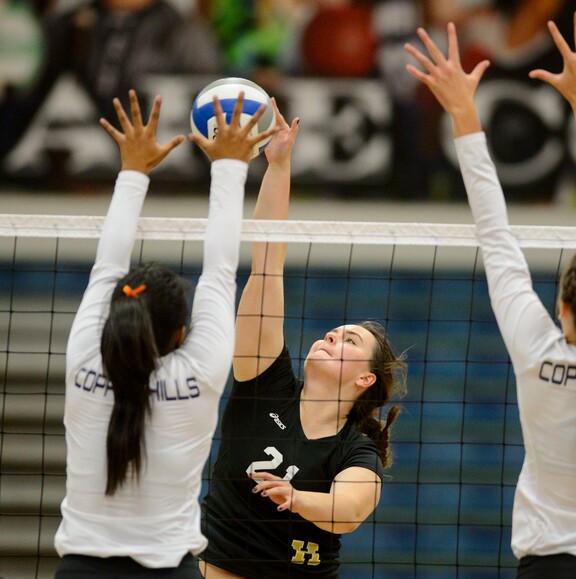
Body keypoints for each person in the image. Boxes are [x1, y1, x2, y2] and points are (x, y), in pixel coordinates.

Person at [405, 10, 576, 578]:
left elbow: (496, 236)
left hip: (552, 566)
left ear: (563, 309)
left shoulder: (540, 353)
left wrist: (463, 114)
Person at [53, 90, 276, 578]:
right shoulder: (198, 374)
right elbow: (220, 271)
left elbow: (105, 267)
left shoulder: (84, 360)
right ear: (182, 331)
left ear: (117, 314)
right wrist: (229, 164)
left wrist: (134, 171)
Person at [198, 100, 407, 578]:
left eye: (350, 342)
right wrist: (278, 166)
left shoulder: (356, 450)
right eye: (335, 332)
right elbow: (267, 265)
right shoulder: (263, 384)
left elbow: (348, 511)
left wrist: (295, 498)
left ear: (364, 379)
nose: (333, 335)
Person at [0, 0, 223, 162]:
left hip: (158, 179)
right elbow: (28, 103)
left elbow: (205, 108)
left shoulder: (184, 32)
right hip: (55, 178)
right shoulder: (66, 26)